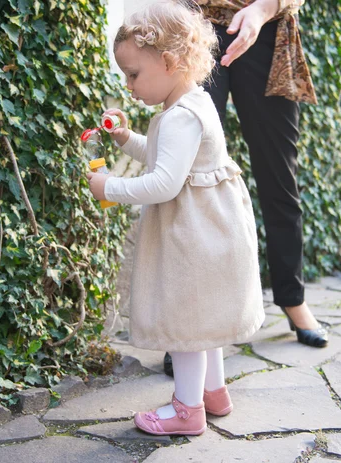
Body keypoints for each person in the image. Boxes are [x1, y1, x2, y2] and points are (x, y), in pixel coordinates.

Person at [87, 0, 265, 436]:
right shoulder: (193, 103)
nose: (128, 85)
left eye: (133, 74)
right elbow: (163, 156)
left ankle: (187, 411)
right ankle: (213, 393)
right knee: (204, 320)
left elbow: (164, 183)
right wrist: (127, 137)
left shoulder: (182, 116)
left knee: (186, 326)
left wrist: (110, 187)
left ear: (168, 61)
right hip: (209, 231)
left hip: (194, 236)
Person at [162, 0, 328, 378]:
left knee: (279, 180)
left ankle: (293, 298)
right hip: (196, 27)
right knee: (188, 175)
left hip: (268, 33)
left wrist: (262, 10)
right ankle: (189, 328)